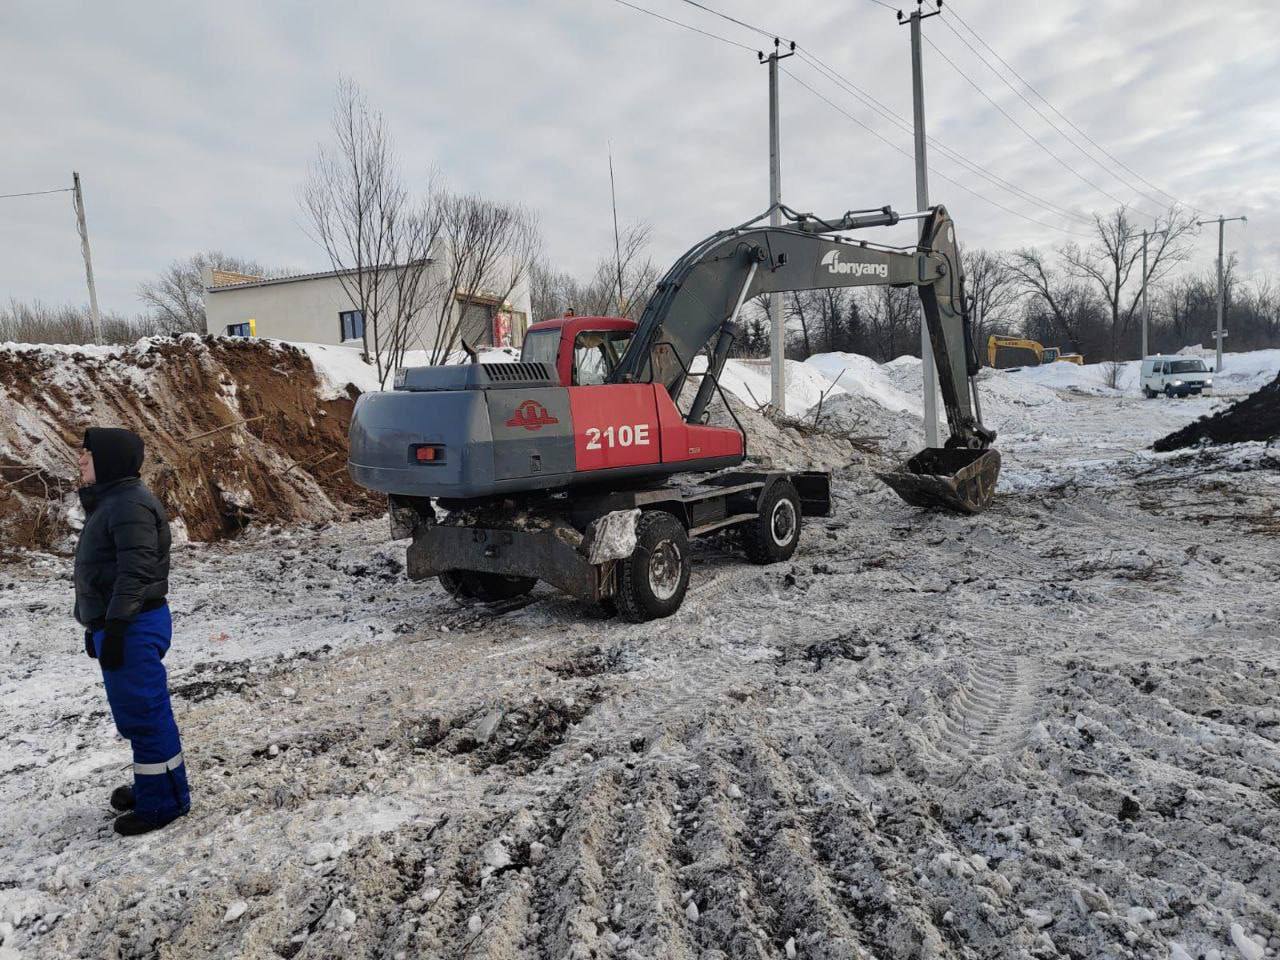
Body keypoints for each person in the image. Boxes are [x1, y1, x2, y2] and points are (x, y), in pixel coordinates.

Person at [74, 427, 190, 836]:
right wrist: (99, 625)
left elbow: (135, 573)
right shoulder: (113, 502)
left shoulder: (127, 506)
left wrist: (119, 626)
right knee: (139, 713)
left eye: (87, 456)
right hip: (124, 622)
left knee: (144, 716)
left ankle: (163, 805)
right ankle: (155, 787)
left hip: (134, 624)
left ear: (107, 460)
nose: (81, 462)